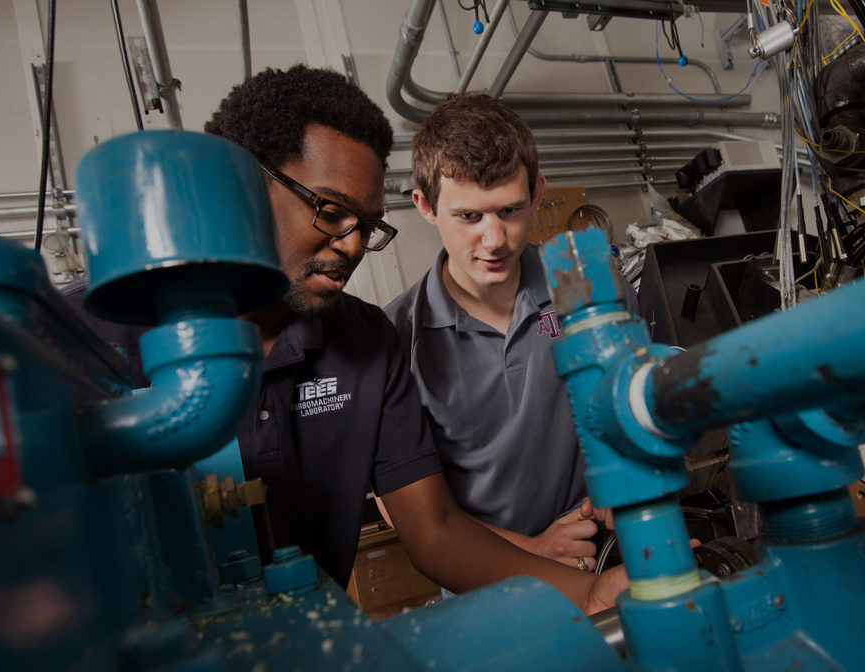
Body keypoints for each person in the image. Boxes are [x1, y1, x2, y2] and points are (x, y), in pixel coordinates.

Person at [194, 65, 624, 614]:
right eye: (330, 212)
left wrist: (592, 586)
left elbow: (435, 530)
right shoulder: (95, 331)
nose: (351, 246)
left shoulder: (365, 341)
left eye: (368, 225)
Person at [384, 93, 638, 571]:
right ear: (425, 206)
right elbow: (404, 504)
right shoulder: (395, 338)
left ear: (537, 193)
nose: (495, 239)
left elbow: (634, 394)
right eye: (469, 216)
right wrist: (533, 551)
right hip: (484, 571)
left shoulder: (588, 279)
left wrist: (622, 469)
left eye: (510, 210)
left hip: (606, 546)